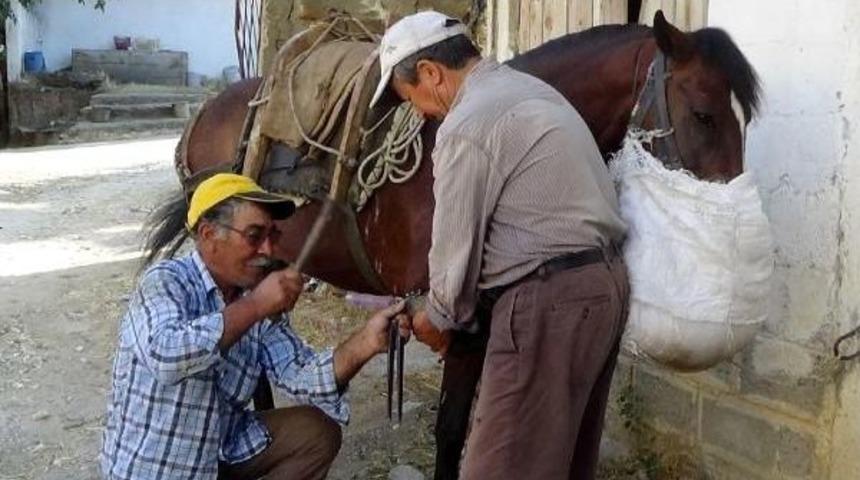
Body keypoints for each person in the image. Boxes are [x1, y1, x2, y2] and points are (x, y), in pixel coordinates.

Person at [370, 11, 630, 480]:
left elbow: (453, 254)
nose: (420, 113)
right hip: (603, 287)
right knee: (562, 459)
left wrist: (436, 316)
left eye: (413, 99)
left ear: (431, 73)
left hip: (549, 302)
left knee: (500, 466)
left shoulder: (467, 123)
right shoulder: (531, 91)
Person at [100, 173, 410, 480]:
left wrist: (366, 342)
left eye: (272, 236)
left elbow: (301, 375)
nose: (268, 251)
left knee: (315, 434)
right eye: (254, 236)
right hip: (157, 466)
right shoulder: (165, 282)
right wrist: (257, 306)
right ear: (208, 235)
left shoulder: (253, 296)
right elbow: (165, 357)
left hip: (220, 446)